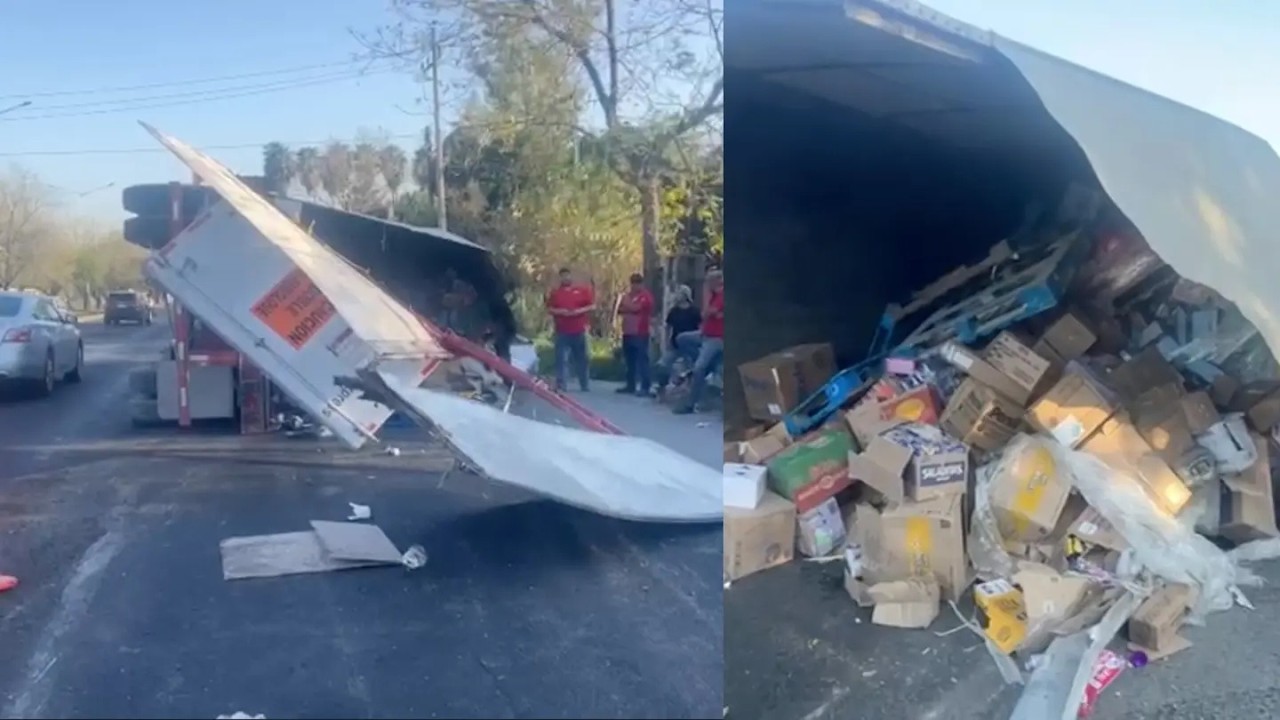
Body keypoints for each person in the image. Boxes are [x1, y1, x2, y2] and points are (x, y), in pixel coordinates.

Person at [674, 269, 724, 415]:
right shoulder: (715, 296)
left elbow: (708, 312)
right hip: (705, 334)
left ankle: (691, 404)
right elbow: (705, 315)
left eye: (708, 283)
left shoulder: (721, 296)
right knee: (682, 338)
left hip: (716, 338)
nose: (707, 285)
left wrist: (710, 306)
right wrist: (713, 313)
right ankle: (704, 363)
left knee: (699, 369)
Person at [545, 267, 595, 392]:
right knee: (561, 359)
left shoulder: (582, 291)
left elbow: (592, 306)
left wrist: (579, 311)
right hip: (562, 330)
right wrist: (561, 311)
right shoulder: (555, 293)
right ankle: (562, 384)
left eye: (567, 275)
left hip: (579, 329)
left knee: (582, 358)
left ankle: (584, 384)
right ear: (560, 278)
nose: (566, 278)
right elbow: (550, 309)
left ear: (571, 276)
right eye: (563, 276)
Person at [652, 284, 703, 396]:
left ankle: (690, 391)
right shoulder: (674, 311)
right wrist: (666, 342)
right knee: (662, 365)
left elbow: (701, 328)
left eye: (679, 293)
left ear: (685, 295)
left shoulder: (694, 311)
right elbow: (668, 328)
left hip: (690, 346)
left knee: (691, 368)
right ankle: (662, 387)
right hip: (675, 345)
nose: (676, 295)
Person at [615, 273, 655, 396]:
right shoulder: (628, 296)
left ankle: (645, 386)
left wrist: (628, 307)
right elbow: (620, 309)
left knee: (642, 360)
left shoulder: (645, 296)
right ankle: (630, 385)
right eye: (633, 283)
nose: (634, 286)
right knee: (629, 360)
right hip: (627, 331)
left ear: (641, 284)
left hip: (640, 331)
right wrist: (628, 307)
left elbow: (637, 308)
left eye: (637, 283)